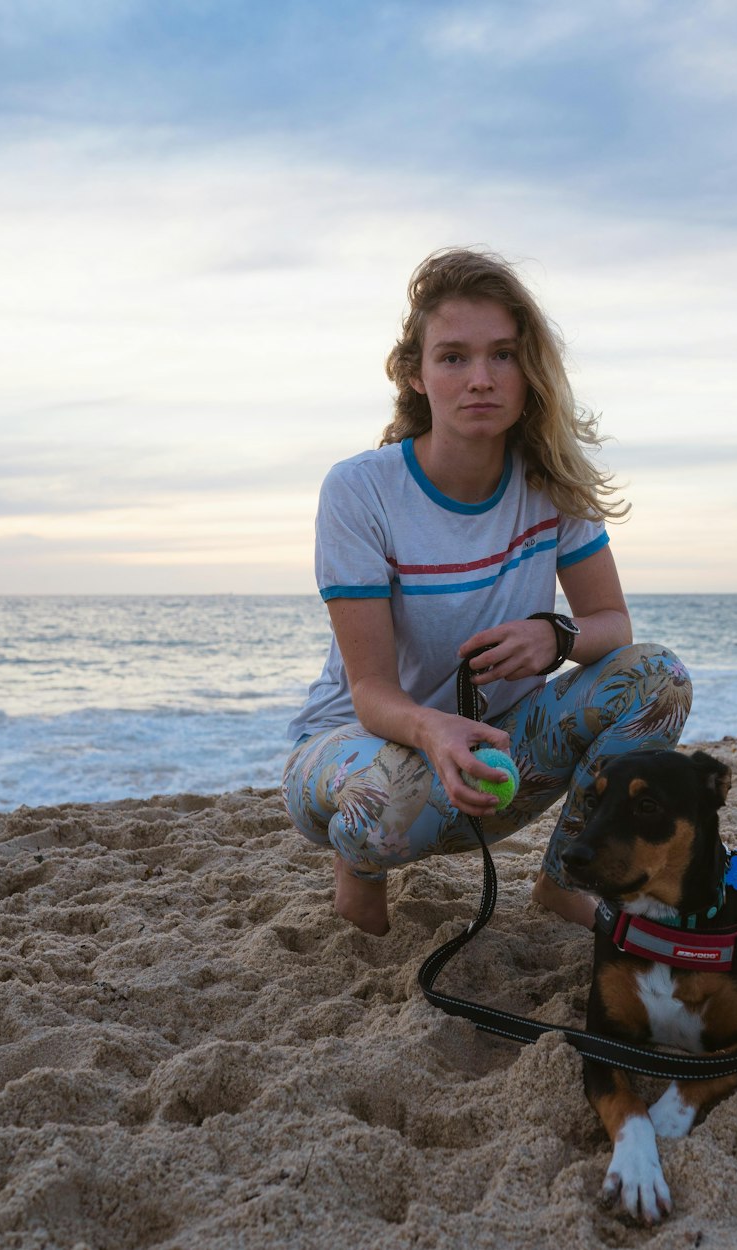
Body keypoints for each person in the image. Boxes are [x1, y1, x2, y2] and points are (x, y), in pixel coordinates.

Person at [282, 248, 692, 936]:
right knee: (386, 788)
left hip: (497, 757)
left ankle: (565, 883)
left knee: (659, 679)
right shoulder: (361, 490)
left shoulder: (551, 480)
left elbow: (612, 625)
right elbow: (372, 694)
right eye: (453, 358)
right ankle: (360, 877)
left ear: (529, 371)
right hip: (362, 754)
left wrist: (553, 637)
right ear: (415, 374)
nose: (480, 379)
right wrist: (432, 728)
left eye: (502, 355)